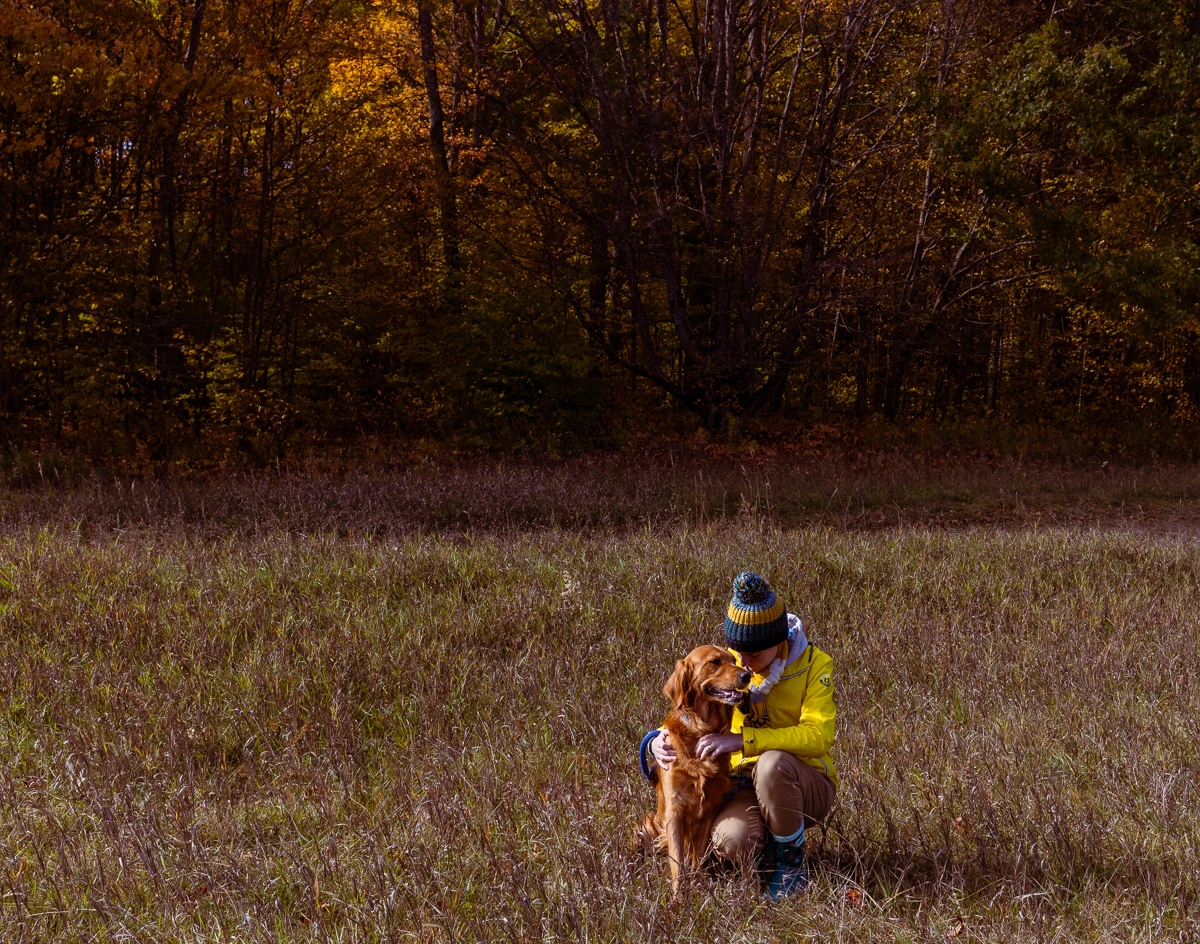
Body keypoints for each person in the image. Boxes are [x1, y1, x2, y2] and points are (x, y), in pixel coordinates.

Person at [637, 571, 837, 900]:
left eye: (754, 656)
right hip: (742, 783)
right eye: (737, 654)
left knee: (772, 764)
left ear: (779, 641)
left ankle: (791, 867)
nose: (744, 666)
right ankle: (764, 849)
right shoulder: (733, 663)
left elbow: (818, 736)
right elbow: (692, 706)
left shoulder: (815, 667)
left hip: (803, 783)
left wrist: (742, 741)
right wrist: (655, 740)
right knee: (731, 841)